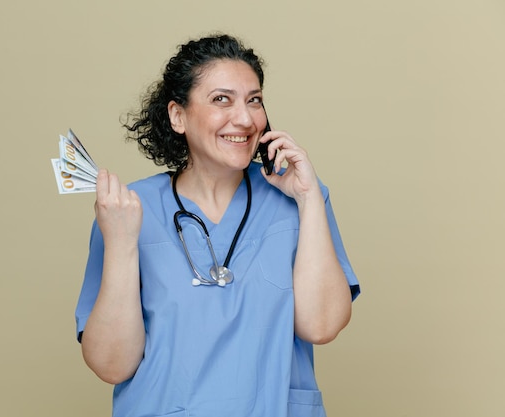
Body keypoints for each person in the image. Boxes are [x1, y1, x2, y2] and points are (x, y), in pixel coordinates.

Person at [75, 33, 360, 417]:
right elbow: (112, 365)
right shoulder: (128, 211)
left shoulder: (298, 198)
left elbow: (322, 326)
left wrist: (309, 199)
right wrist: (123, 243)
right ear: (178, 116)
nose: (245, 119)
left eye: (254, 100)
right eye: (221, 99)